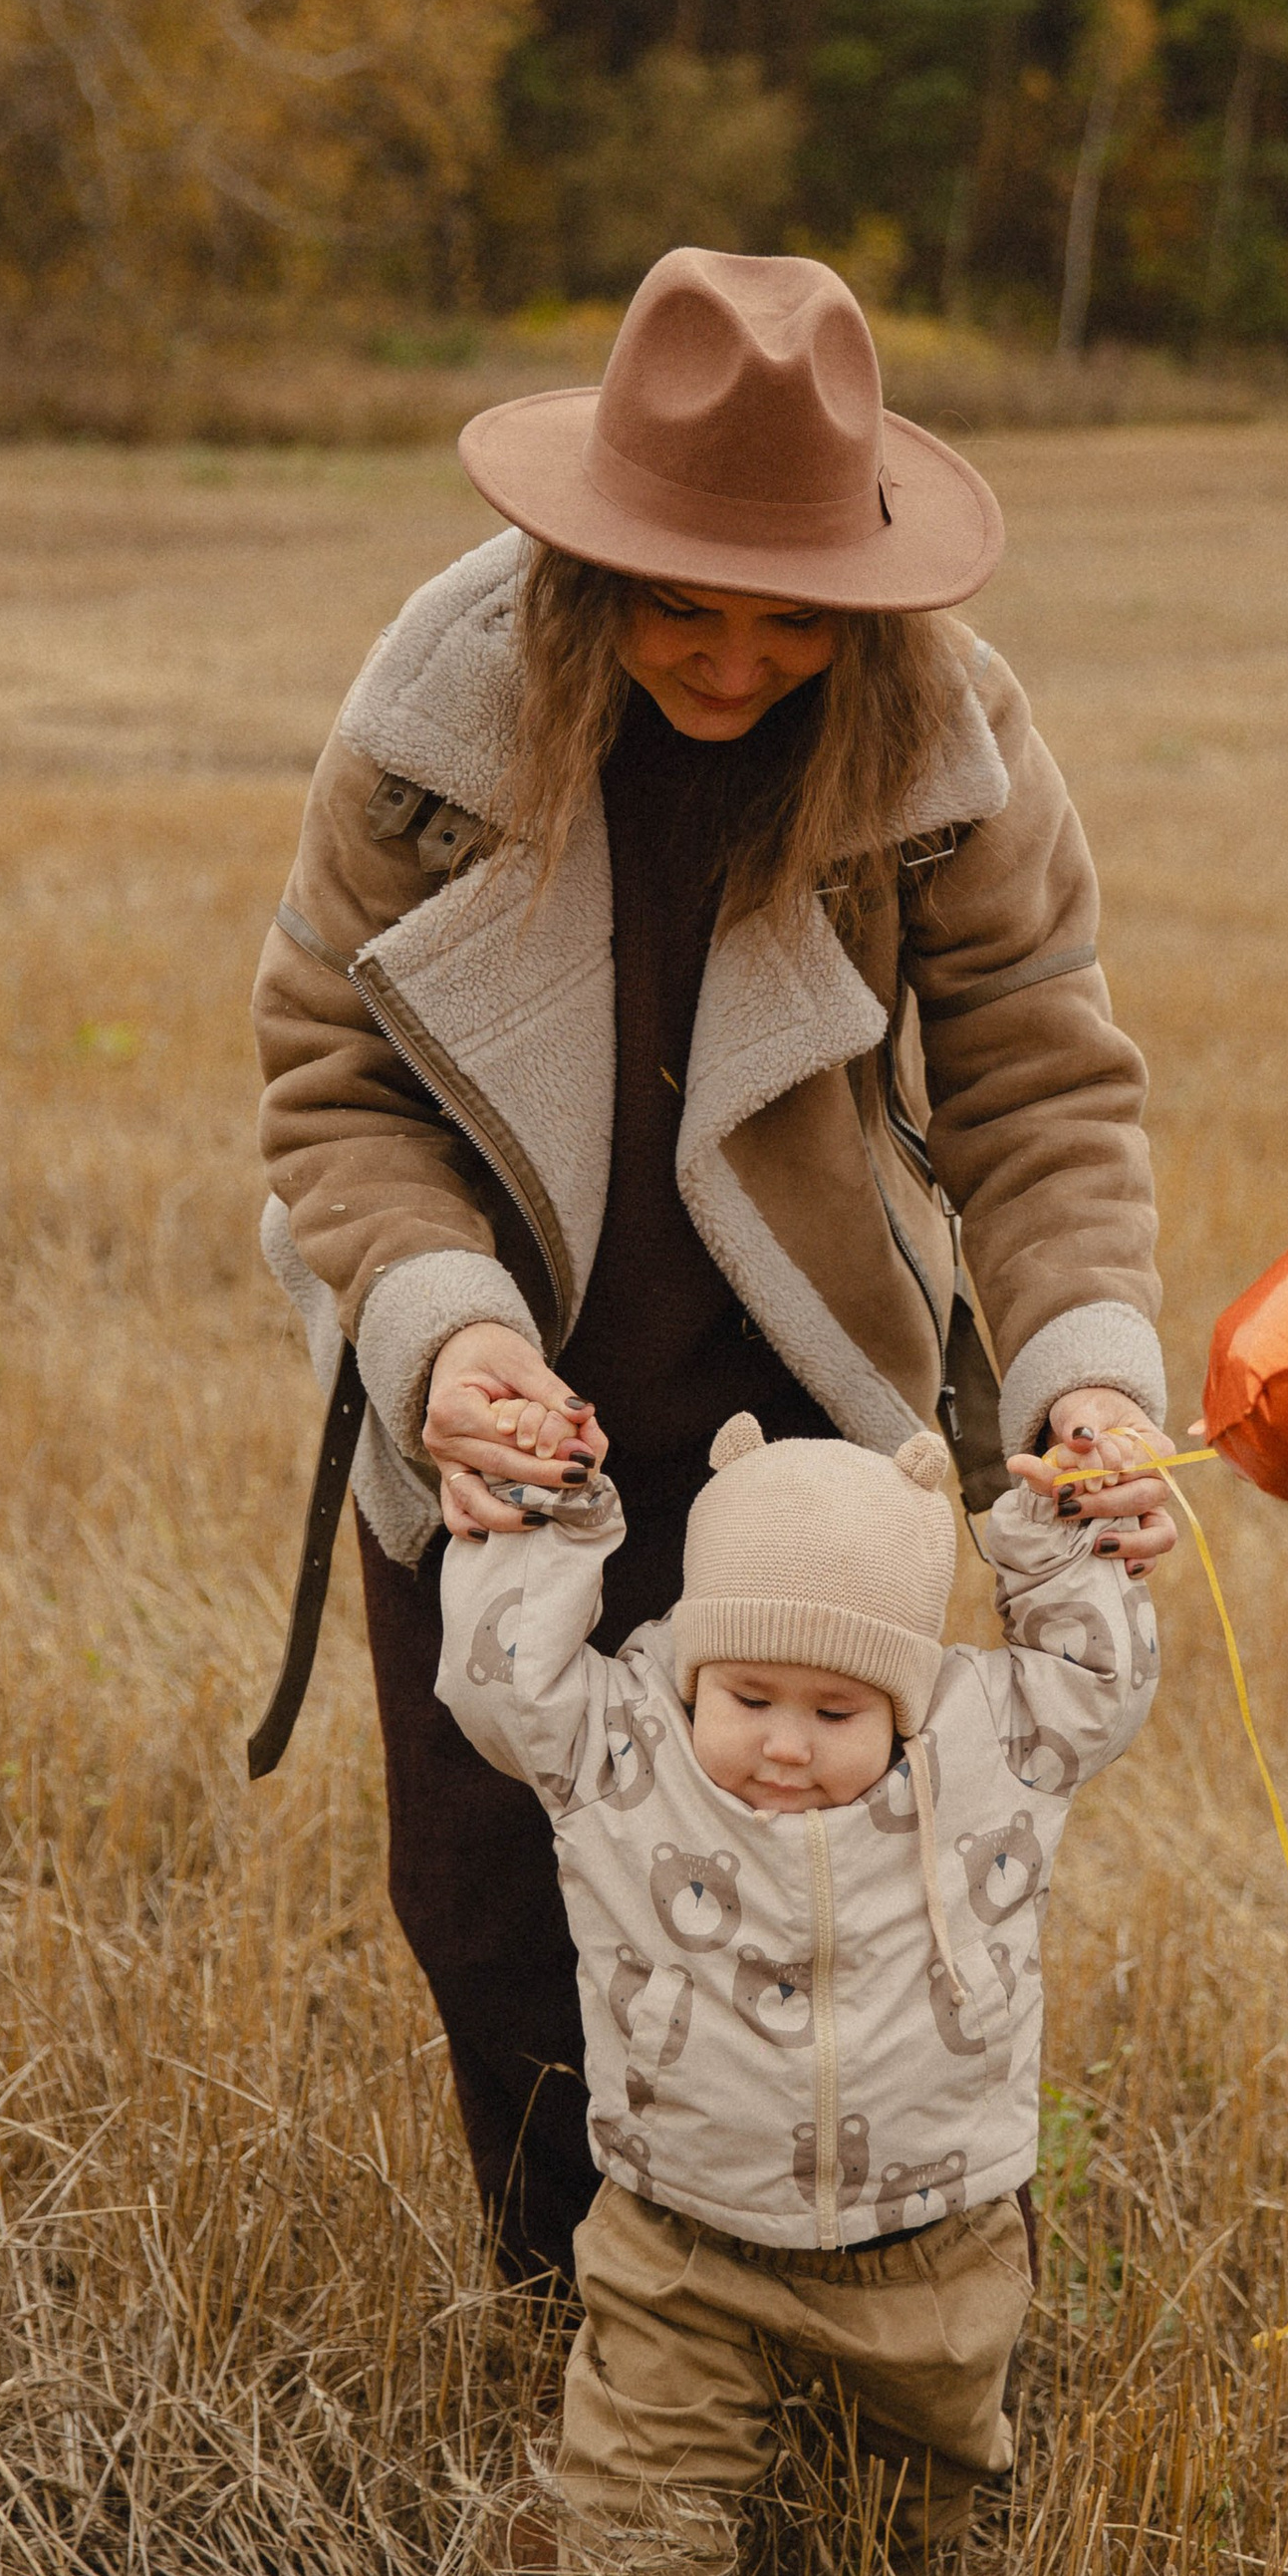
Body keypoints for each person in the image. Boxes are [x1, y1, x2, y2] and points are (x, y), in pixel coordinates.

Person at [253, 249, 1173, 2284]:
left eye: (795, 615)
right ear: (588, 557)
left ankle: (828, 2322)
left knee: (826, 1887)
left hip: (798, 1429)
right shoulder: (431, 721)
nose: (739, 658)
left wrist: (1086, 1377)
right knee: (486, 1895)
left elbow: (1041, 1088)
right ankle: (582, 2307)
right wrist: (445, 1339)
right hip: (500, 1417)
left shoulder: (952, 745)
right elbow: (330, 1076)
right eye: (683, 601)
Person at [436, 1404, 1161, 2576]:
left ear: (905, 1702)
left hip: (931, 2234)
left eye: (838, 1714)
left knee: (938, 2472)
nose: (784, 1744)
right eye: (750, 1695)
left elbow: (1099, 1678)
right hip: (680, 2227)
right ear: (693, 1666)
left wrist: (1063, 1535)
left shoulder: (986, 1756)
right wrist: (551, 1520)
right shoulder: (626, 1753)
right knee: (643, 2459)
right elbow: (498, 1681)